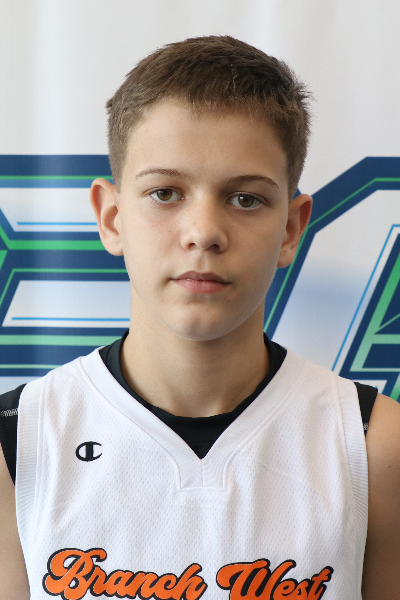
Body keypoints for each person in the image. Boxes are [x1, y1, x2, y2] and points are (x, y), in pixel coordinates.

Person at [0, 35, 399, 600]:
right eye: (166, 193)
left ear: (291, 228)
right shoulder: (18, 444)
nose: (204, 232)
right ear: (111, 218)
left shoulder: (376, 446)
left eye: (245, 199)